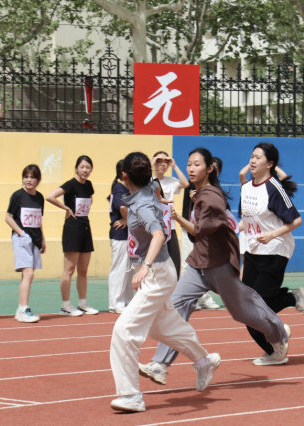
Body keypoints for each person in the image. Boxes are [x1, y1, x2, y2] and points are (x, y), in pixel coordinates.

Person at [139, 148, 304, 384]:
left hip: (221, 265)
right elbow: (229, 224)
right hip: (200, 263)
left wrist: (177, 217)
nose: (191, 168)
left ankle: (278, 332)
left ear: (209, 169)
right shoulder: (201, 194)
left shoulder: (212, 198)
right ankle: (160, 364)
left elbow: (199, 232)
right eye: (189, 164)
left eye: (197, 164)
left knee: (242, 311)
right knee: (176, 305)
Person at [110, 152, 220, 413]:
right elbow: (155, 187)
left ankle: (131, 395)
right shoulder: (149, 187)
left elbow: (158, 235)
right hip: (163, 271)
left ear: (124, 176)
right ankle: (204, 361)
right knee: (163, 328)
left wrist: (145, 267)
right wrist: (161, 200)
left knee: (124, 332)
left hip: (156, 273)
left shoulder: (142, 204)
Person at [239, 142, 304, 366]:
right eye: (252, 156)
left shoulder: (273, 188)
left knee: (258, 307)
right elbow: (246, 221)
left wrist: (272, 234)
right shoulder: (246, 187)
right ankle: (275, 347)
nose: (253, 160)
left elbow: (296, 220)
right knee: (246, 308)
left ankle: (291, 304)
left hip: (274, 251)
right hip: (252, 251)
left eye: (258, 157)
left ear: (270, 164)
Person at [46, 155, 99, 316]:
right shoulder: (70, 184)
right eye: (82, 167)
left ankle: (82, 303)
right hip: (72, 228)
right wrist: (67, 209)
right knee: (69, 269)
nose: (85, 170)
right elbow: (50, 196)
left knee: (83, 270)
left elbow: (89, 201)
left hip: (85, 227)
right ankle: (65, 306)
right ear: (76, 168)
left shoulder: (88, 185)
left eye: (88, 167)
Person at [5, 165, 46, 323]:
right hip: (22, 238)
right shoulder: (17, 196)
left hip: (35, 239)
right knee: (29, 273)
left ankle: (20, 309)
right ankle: (24, 309)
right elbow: (8, 217)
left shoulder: (40, 197)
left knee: (27, 275)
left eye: (32, 177)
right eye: (26, 176)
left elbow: (39, 220)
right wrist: (22, 233)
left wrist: (42, 239)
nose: (28, 180)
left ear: (38, 180)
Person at [181, 157, 223, 310]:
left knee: (205, 265)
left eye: (215, 169)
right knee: (187, 263)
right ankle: (190, 299)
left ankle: (202, 298)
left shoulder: (216, 188)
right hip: (190, 227)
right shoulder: (193, 183)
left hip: (207, 231)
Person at [152, 151, 189, 278]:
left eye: (165, 161)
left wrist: (174, 165)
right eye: (159, 161)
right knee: (155, 263)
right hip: (154, 228)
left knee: (174, 262)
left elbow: (185, 184)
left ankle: (173, 289)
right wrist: (152, 163)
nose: (163, 164)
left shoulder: (171, 181)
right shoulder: (148, 180)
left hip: (170, 227)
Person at [108, 160, 135, 313]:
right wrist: (126, 219)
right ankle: (116, 302)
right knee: (119, 268)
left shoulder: (130, 188)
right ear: (124, 173)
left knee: (129, 270)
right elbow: (123, 208)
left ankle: (127, 300)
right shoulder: (119, 188)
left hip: (129, 234)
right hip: (120, 234)